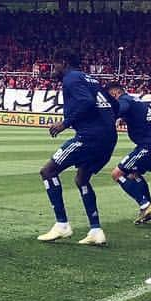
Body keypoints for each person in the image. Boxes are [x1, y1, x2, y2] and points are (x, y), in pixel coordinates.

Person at [37, 50, 117, 245]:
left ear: (63, 62)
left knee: (48, 171)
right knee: (82, 179)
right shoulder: (91, 79)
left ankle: (62, 224)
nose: (52, 68)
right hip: (108, 138)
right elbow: (114, 104)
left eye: (54, 64)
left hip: (90, 137)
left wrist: (65, 123)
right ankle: (96, 231)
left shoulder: (71, 79)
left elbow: (86, 102)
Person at [106, 81, 151, 225]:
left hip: (150, 144)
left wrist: (115, 115)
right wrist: (124, 117)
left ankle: (146, 206)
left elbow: (120, 107)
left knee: (117, 174)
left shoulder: (124, 100)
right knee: (134, 174)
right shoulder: (137, 100)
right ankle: (148, 209)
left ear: (115, 93)